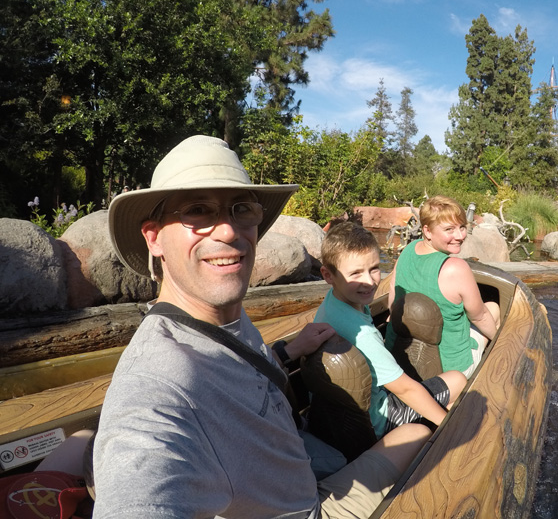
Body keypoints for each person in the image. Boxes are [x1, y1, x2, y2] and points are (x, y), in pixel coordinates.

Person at [93, 135, 430, 518]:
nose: (226, 231)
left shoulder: (223, 316)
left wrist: (286, 352)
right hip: (310, 510)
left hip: (300, 460)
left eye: (240, 210)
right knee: (421, 433)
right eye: (198, 211)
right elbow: (141, 484)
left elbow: (233, 368)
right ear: (154, 237)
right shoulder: (154, 388)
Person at [315, 222, 466, 439]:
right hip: (378, 421)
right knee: (458, 380)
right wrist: (447, 425)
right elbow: (405, 390)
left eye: (374, 268)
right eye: (356, 273)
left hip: (344, 417)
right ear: (328, 275)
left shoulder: (334, 303)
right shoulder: (363, 335)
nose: (369, 281)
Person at [387, 195, 500, 378]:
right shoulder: (456, 268)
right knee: (492, 309)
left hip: (399, 360)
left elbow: (392, 297)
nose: (460, 236)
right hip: (450, 369)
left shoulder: (407, 250)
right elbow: (479, 318)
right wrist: (501, 342)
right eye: (449, 229)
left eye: (462, 227)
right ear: (427, 231)